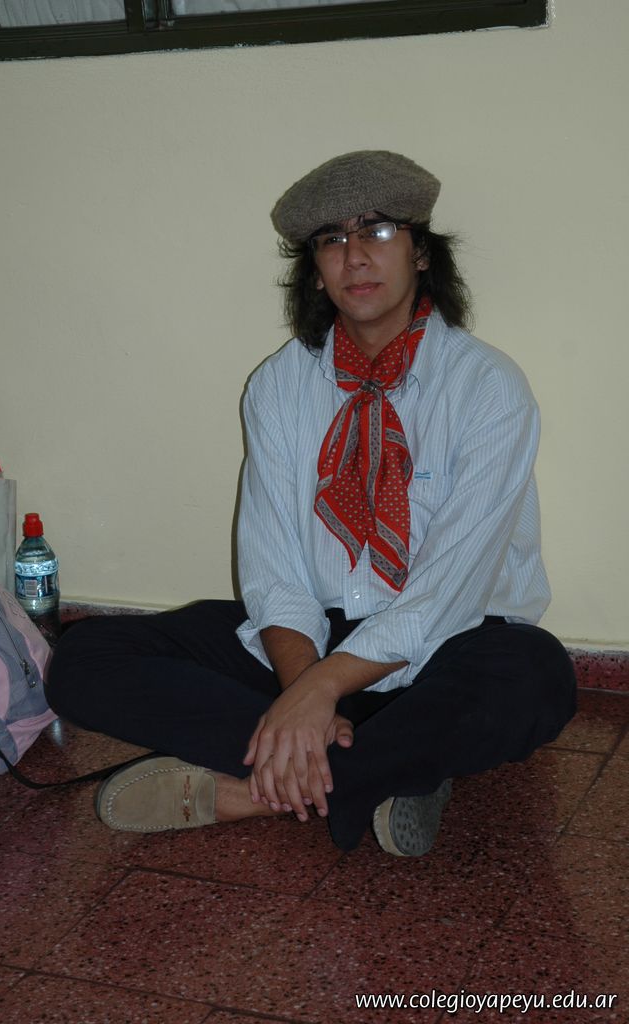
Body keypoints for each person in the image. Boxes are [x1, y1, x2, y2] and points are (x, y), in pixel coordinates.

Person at [46, 150, 576, 856]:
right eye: (332, 239)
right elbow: (274, 569)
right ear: (315, 269)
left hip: (452, 646)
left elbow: (447, 594)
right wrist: (306, 691)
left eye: (377, 231)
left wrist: (322, 693)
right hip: (314, 641)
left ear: (421, 253)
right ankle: (386, 771)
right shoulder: (279, 385)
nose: (355, 257)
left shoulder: (488, 388)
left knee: (537, 676)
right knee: (85, 657)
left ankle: (254, 793)